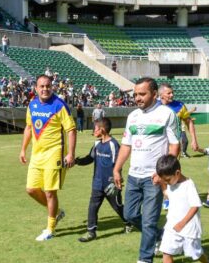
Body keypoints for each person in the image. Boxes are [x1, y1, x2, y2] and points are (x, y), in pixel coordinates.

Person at [113, 77, 180, 263]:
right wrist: (117, 169)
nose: (137, 98)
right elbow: (126, 145)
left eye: (142, 94)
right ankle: (160, 236)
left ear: (153, 94)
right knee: (130, 215)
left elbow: (174, 145)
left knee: (149, 220)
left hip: (154, 177)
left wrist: (162, 174)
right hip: (134, 175)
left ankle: (145, 260)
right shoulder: (132, 116)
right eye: (135, 94)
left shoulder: (167, 114)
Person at [20, 75, 76, 241]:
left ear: (52, 87)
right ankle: (57, 212)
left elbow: (71, 130)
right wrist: (23, 149)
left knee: (50, 192)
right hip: (37, 155)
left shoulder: (59, 105)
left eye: (48, 86)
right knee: (31, 189)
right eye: (41, 86)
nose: (45, 89)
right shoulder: (32, 104)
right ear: (36, 88)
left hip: (54, 154)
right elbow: (29, 128)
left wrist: (70, 153)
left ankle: (50, 228)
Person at [153, 155, 209, 263]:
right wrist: (161, 183)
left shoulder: (188, 185)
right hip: (172, 226)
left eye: (168, 180)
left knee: (195, 254)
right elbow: (167, 193)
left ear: (177, 173)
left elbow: (195, 206)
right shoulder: (171, 183)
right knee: (166, 250)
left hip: (189, 228)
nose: (167, 182)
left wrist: (183, 222)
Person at [75, 118, 129, 242]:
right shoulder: (96, 144)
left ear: (102, 130)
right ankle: (91, 232)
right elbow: (89, 158)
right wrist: (77, 161)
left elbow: (118, 163)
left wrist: (117, 181)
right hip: (97, 183)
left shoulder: (113, 144)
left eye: (95, 129)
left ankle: (128, 222)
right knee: (92, 206)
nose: (94, 131)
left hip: (111, 184)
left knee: (118, 206)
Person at [159, 83, 199, 158]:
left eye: (172, 92)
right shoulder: (154, 106)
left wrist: (194, 140)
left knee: (171, 168)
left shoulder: (180, 105)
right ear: (161, 95)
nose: (172, 95)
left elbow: (189, 122)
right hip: (157, 145)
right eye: (169, 93)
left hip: (174, 146)